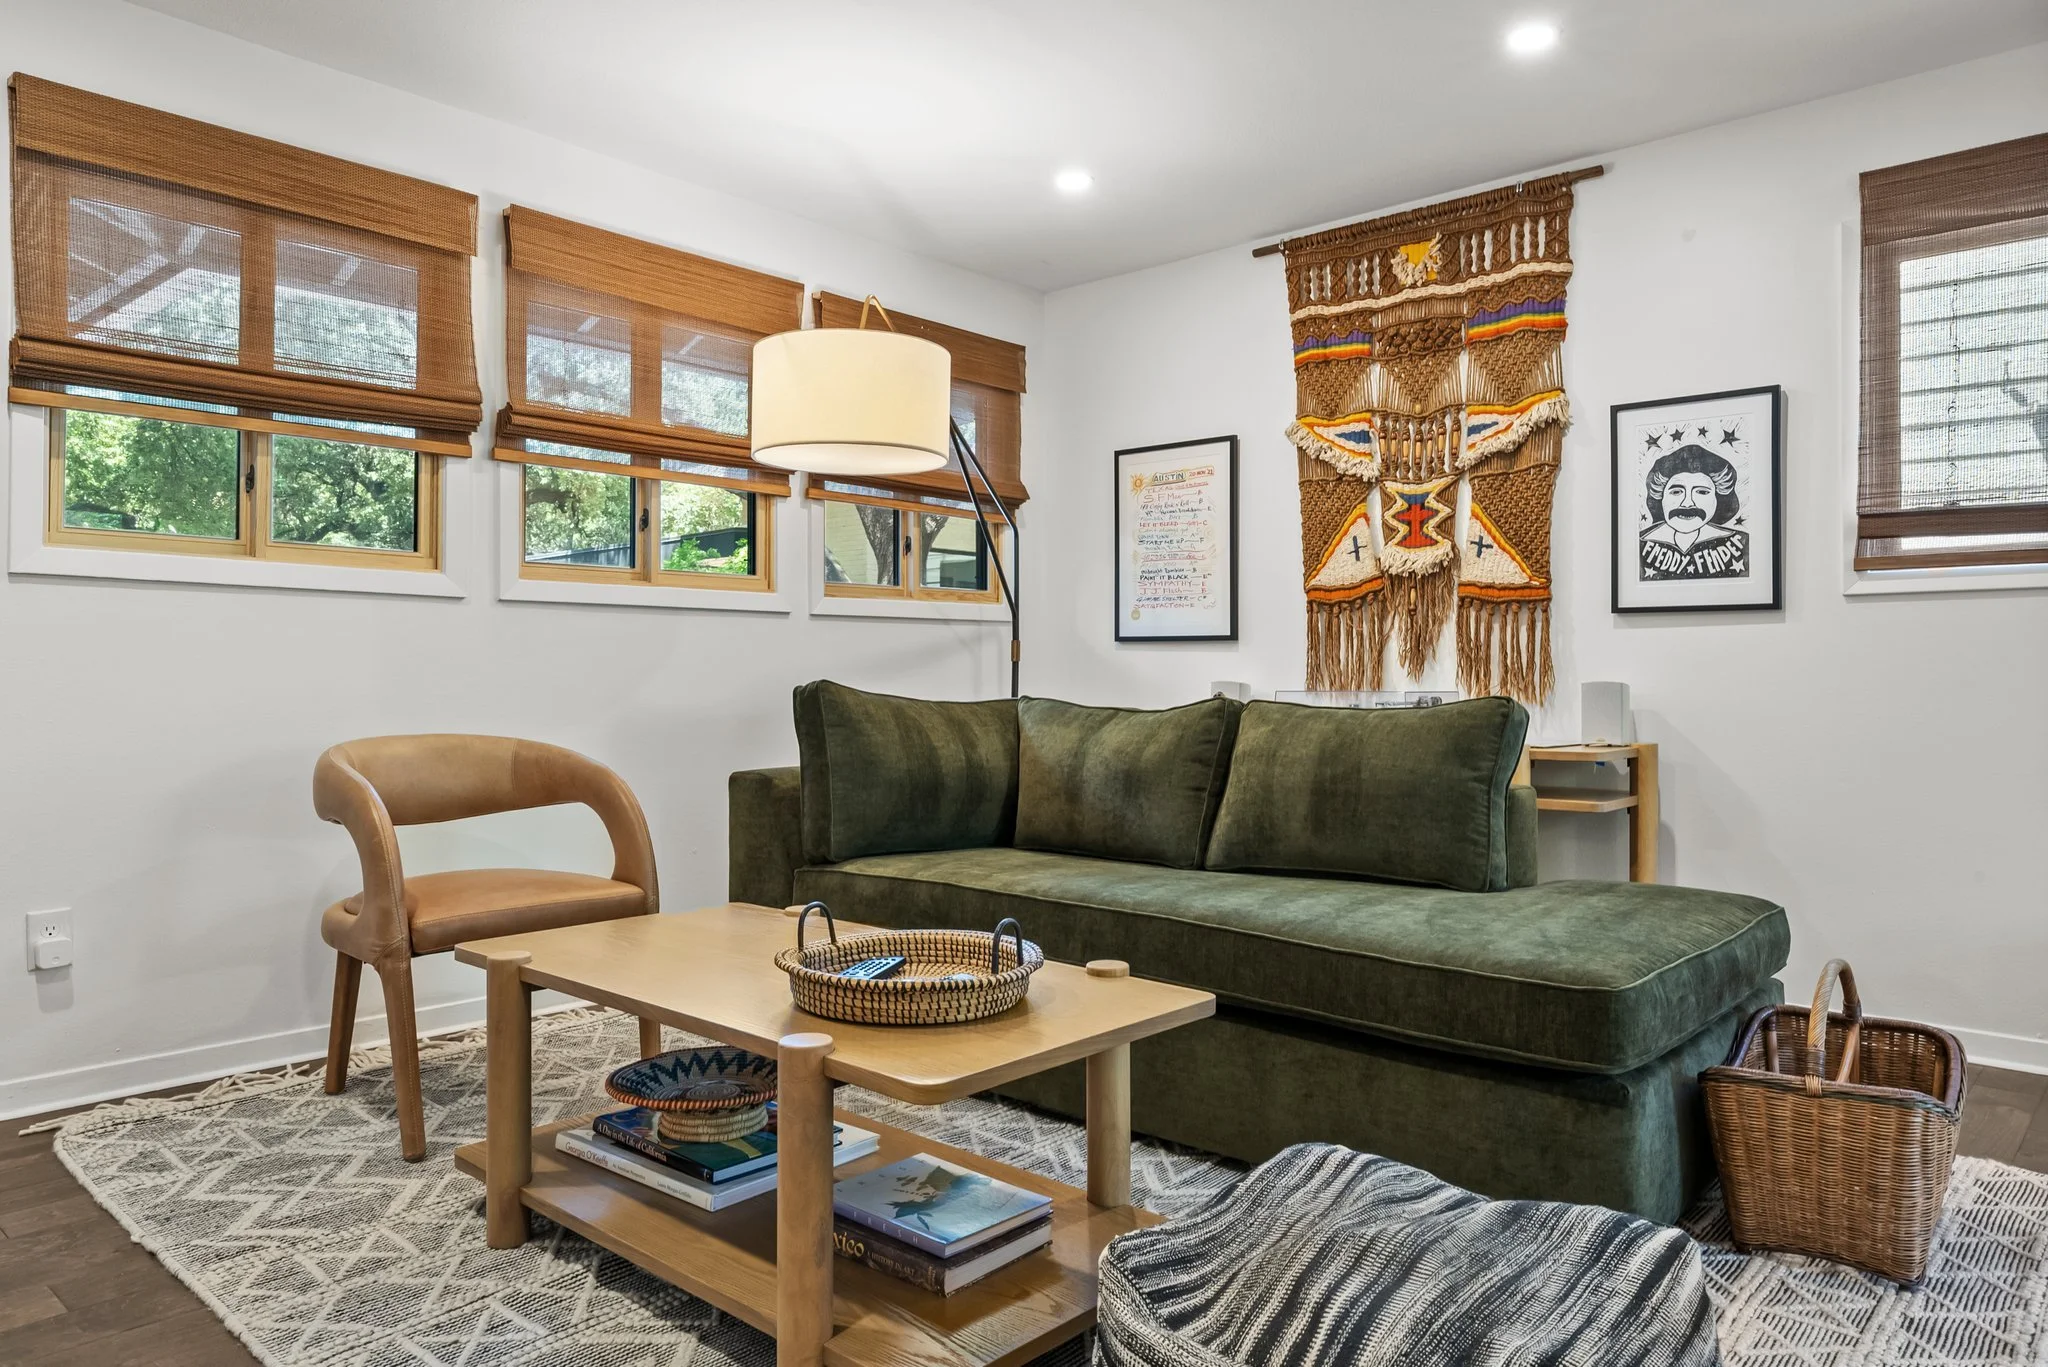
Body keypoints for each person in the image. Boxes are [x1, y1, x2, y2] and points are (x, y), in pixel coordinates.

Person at [1640, 445, 1747, 580]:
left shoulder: (1741, 543)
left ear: (1718, 498)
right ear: (1660, 496)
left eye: (1702, 492)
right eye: (1676, 492)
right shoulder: (1640, 544)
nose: (1687, 503)